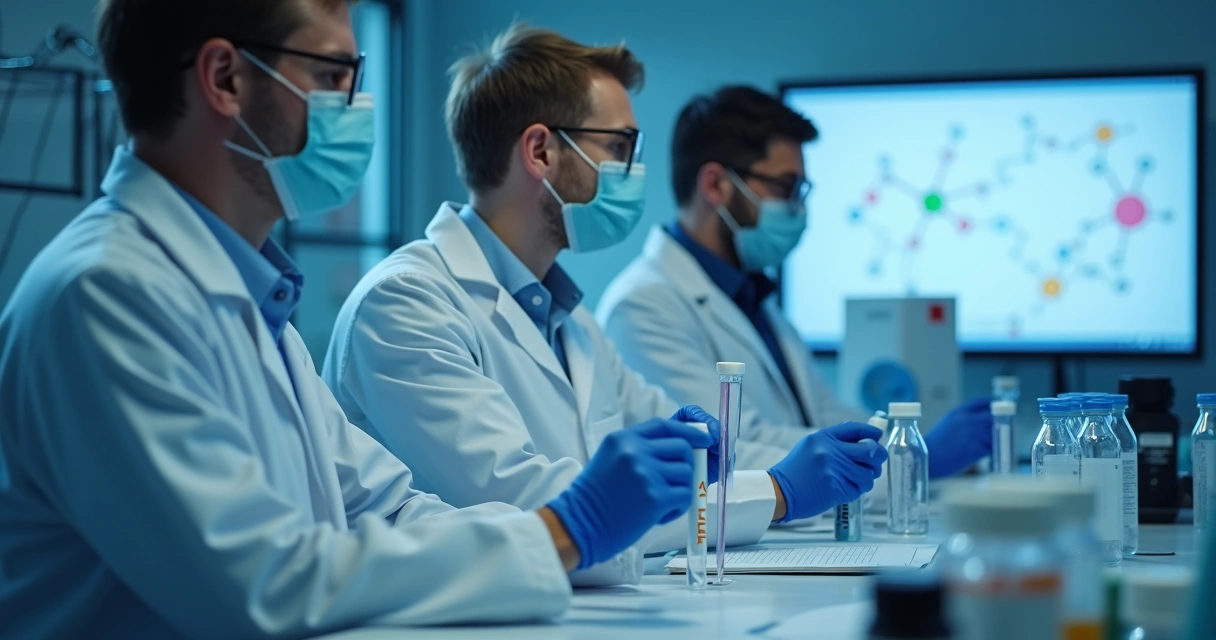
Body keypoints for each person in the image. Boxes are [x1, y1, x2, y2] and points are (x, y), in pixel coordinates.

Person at [0, 3, 715, 638]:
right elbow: (266, 584)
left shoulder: (248, 296)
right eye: (333, 74)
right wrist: (565, 529)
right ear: (225, 79)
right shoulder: (107, 293)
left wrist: (569, 529)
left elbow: (388, 507)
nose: (356, 105)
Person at [322, 23, 888, 585]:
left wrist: (695, 454)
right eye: (619, 148)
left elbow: (665, 454)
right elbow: (535, 506)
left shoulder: (573, 325)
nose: (634, 172)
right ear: (540, 151)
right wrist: (778, 490)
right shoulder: (407, 304)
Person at [597, 86, 991, 476]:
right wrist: (915, 461)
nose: (798, 208)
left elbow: (824, 416)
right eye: (785, 187)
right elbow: (730, 447)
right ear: (715, 185)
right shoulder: (644, 306)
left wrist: (912, 443)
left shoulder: (754, 298)